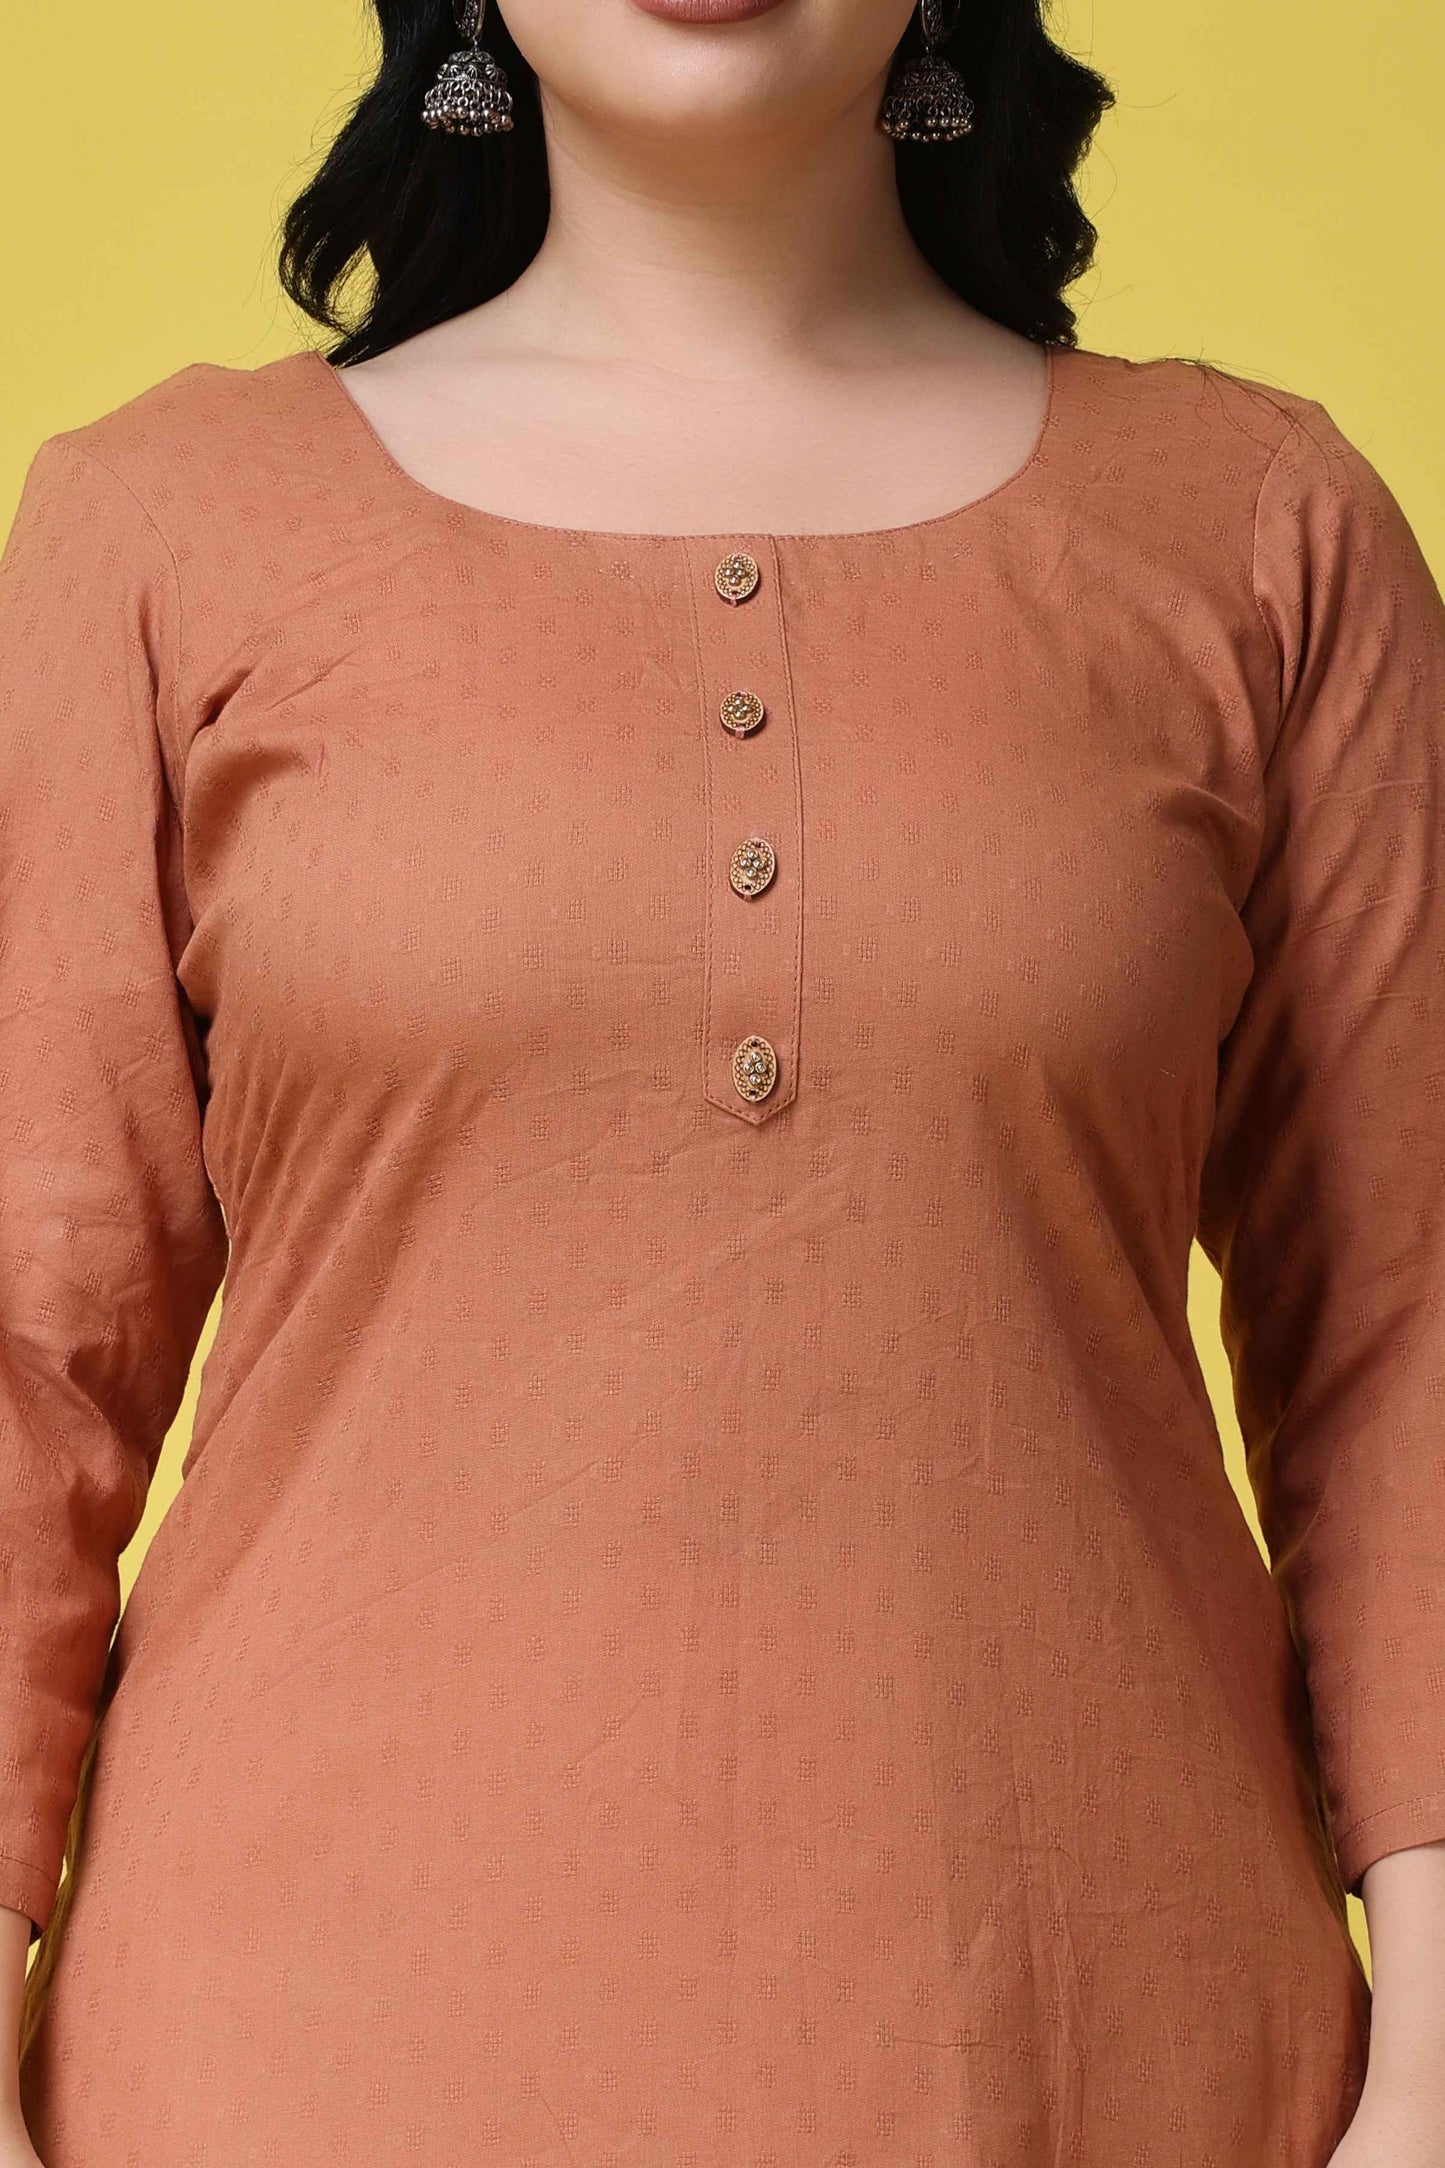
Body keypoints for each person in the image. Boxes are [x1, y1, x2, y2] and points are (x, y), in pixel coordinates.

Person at [1, 0, 1442, 2160]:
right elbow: (28, 1357)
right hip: (291, 2065)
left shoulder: (1255, 530)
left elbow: (1406, 1345)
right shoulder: (159, 530)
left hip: (1097, 2051)